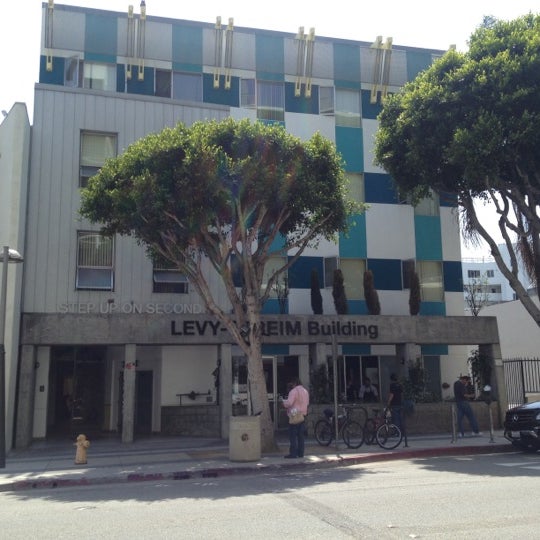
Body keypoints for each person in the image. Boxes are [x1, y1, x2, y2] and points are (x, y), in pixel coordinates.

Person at [282, 377, 309, 459]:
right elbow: (307, 403)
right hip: (302, 415)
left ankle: (293, 453)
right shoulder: (305, 391)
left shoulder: (293, 391)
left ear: (294, 383)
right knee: (301, 435)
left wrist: (283, 402)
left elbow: (289, 403)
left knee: (293, 435)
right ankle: (301, 453)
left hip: (294, 415)